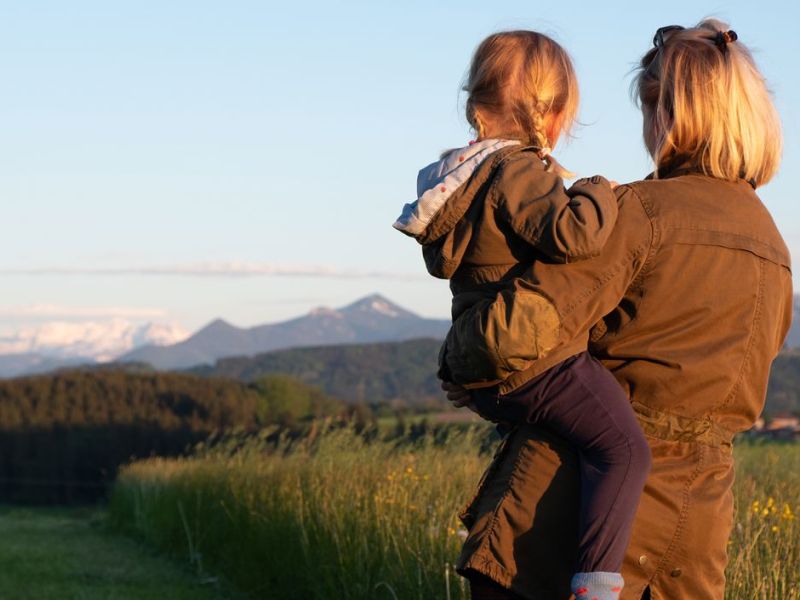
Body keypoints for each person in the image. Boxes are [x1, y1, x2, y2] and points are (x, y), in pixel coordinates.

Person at [444, 19, 792, 600]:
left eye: (650, 108)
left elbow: (511, 338)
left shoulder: (634, 213)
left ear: (668, 114)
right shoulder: (775, 249)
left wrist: (457, 361)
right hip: (694, 538)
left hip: (561, 528)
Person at [393, 30, 651, 600]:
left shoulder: (459, 179)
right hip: (535, 362)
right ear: (550, 113)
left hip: (485, 371)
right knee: (623, 449)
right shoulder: (516, 172)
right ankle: (598, 585)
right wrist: (596, 190)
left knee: (569, 444)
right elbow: (572, 234)